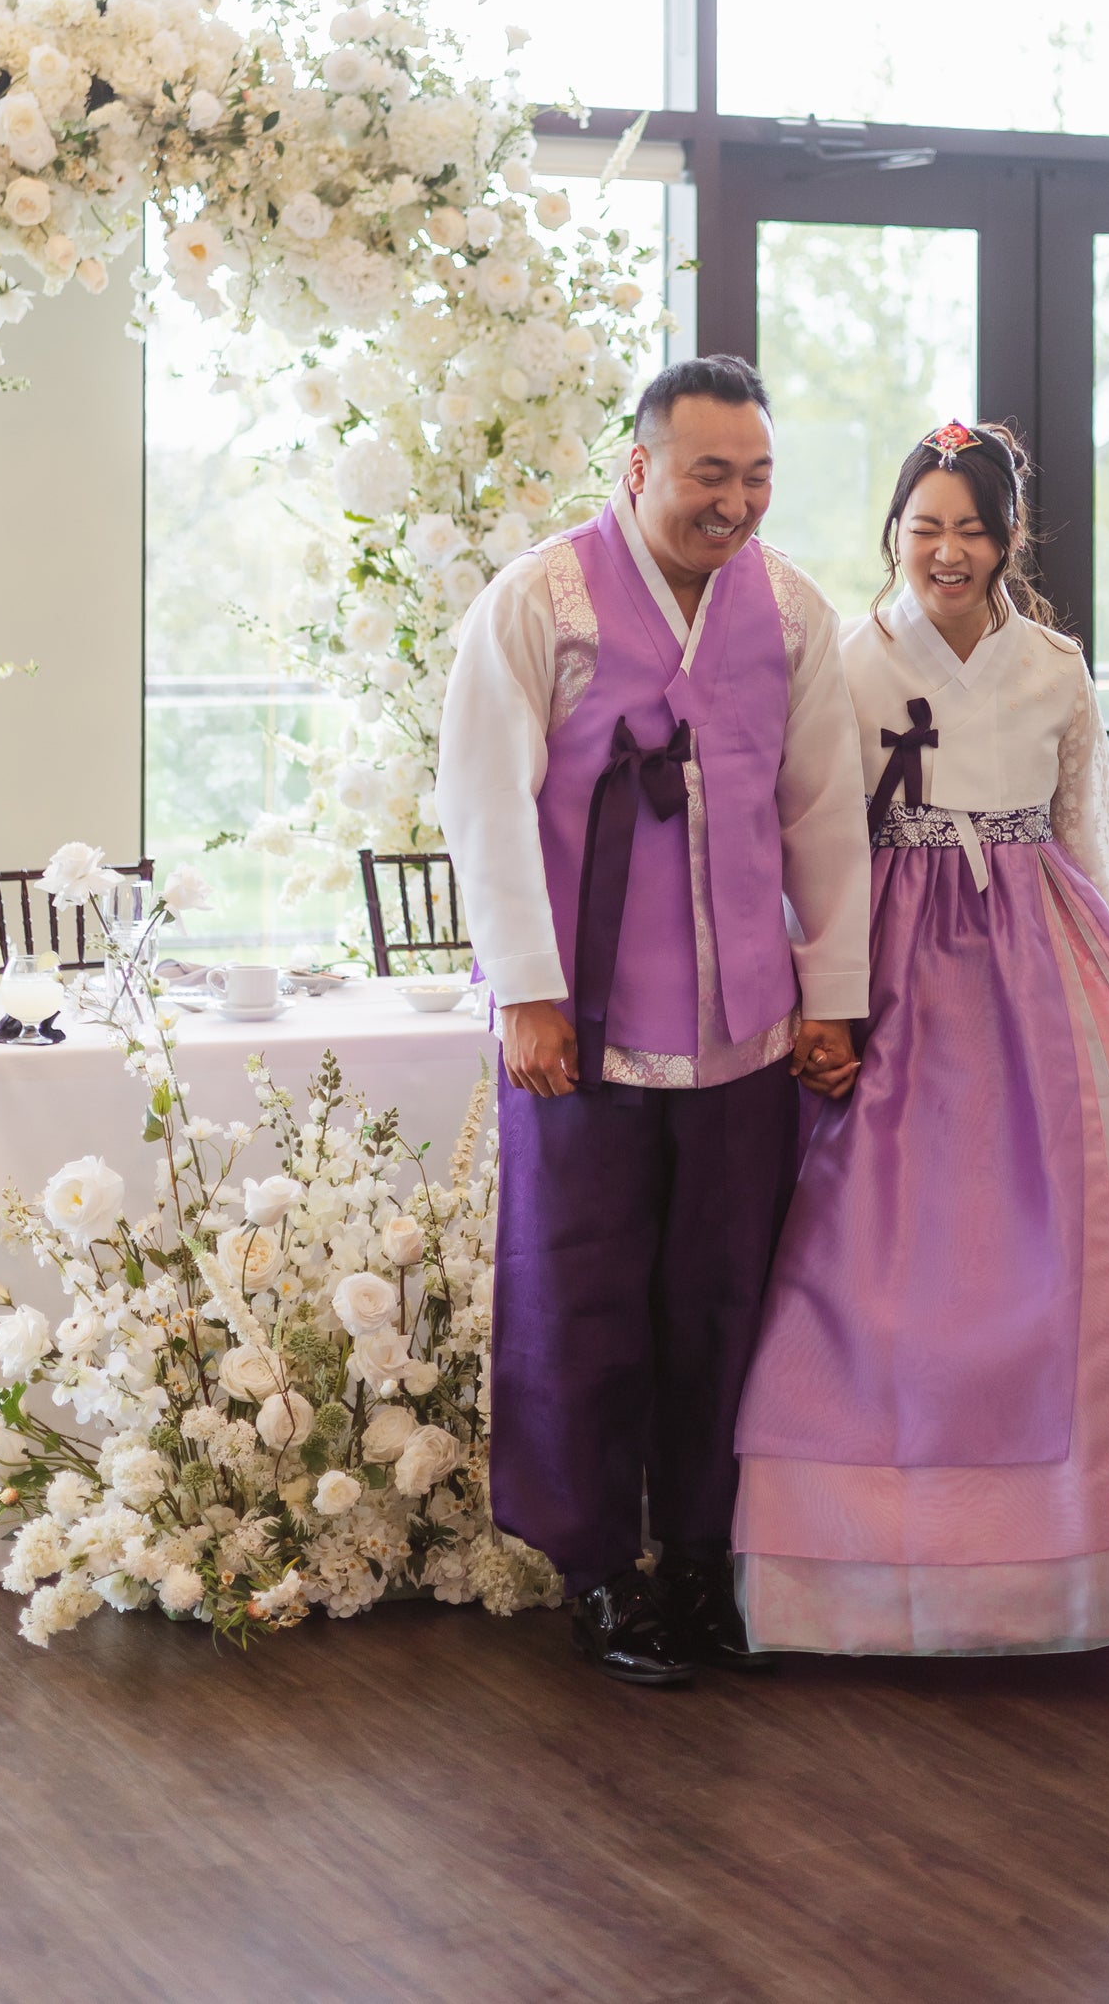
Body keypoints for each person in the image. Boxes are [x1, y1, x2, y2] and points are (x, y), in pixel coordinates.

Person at [733, 419, 1109, 1655]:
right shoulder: (844, 660)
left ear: (1007, 542)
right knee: (879, 1238)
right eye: (923, 529)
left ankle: (1091, 1562)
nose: (945, 552)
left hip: (1034, 948)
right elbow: (812, 835)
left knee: (1079, 1227)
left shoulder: (1054, 664)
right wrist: (817, 992)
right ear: (893, 536)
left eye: (970, 530)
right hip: (891, 950)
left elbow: (1081, 831)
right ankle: (857, 1571)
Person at [437, 354, 870, 1686]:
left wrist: (832, 993)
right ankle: (594, 1569)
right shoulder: (539, 600)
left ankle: (698, 1555)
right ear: (638, 467)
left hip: (746, 1032)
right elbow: (482, 800)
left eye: (756, 476)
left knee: (723, 1302)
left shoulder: (790, 610)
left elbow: (822, 810)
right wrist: (526, 991)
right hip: (583, 1032)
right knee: (581, 1299)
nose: (733, 501)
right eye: (707, 473)